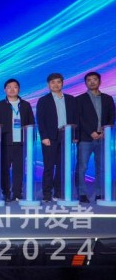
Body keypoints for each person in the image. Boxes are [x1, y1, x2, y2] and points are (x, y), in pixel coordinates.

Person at [37, 72, 79, 202]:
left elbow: (76, 118)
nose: (55, 85)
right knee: (49, 166)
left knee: (62, 166)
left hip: (66, 135)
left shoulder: (71, 99)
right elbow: (40, 120)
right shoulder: (43, 100)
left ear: (62, 83)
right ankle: (47, 194)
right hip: (50, 137)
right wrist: (44, 136)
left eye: (58, 82)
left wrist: (75, 135)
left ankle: (58, 192)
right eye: (52, 82)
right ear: (48, 85)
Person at [0, 78, 35, 202]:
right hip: (5, 142)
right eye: (9, 87)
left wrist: (30, 141)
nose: (12, 89)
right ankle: (6, 192)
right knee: (4, 169)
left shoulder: (26, 105)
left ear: (19, 89)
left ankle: (17, 193)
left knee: (19, 169)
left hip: (21, 143)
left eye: (15, 87)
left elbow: (31, 123)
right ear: (5, 89)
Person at [76, 71, 115, 203]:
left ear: (100, 81)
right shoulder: (79, 99)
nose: (92, 82)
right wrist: (91, 132)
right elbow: (79, 118)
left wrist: (105, 131)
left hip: (103, 138)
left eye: (95, 79)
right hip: (85, 138)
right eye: (89, 80)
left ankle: (100, 193)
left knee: (101, 167)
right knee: (82, 167)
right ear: (85, 83)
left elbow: (112, 117)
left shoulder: (108, 99)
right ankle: (81, 193)